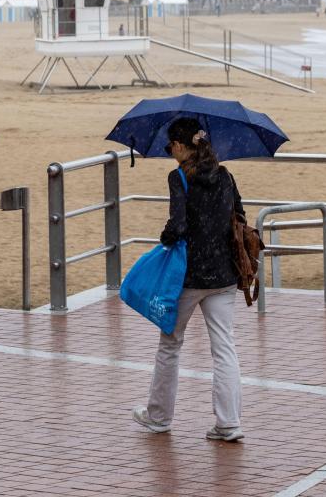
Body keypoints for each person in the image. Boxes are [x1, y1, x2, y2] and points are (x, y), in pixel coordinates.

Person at [132, 117, 245, 442]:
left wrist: (166, 237)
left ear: (181, 146)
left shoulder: (179, 177)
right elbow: (238, 214)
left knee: (170, 345)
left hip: (189, 275)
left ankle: (159, 418)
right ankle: (228, 423)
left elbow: (177, 225)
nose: (170, 152)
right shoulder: (224, 174)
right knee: (224, 347)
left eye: (171, 147)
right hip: (224, 273)